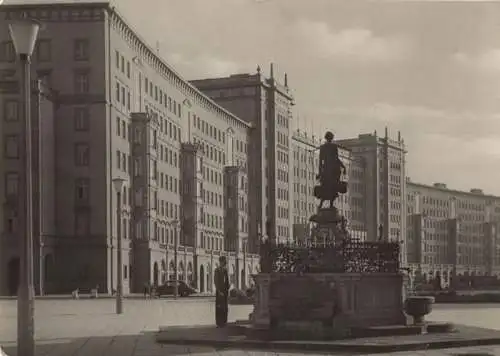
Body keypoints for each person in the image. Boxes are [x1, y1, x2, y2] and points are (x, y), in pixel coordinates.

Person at [214, 255, 230, 327]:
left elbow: (227, 282)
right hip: (219, 292)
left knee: (225, 307)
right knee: (219, 307)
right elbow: (216, 281)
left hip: (225, 292)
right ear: (221, 262)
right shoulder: (217, 270)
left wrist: (228, 289)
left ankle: (224, 322)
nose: (224, 264)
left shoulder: (225, 270)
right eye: (224, 262)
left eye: (225, 262)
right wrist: (219, 291)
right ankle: (219, 323)